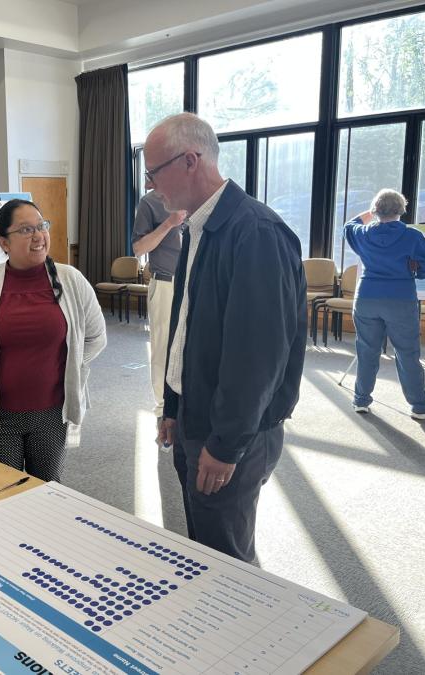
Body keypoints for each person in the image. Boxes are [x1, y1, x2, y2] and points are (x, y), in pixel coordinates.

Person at [146, 113, 307, 563]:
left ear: (191, 161)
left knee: (229, 564)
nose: (152, 185)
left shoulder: (255, 233)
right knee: (205, 550)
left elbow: (257, 358)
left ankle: (248, 633)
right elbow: (186, 330)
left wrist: (225, 445)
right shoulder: (199, 226)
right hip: (197, 418)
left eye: (154, 172)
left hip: (232, 431)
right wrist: (173, 405)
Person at [0, 199, 106, 481]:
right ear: (3, 242)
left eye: (41, 226)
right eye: (25, 230)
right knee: (3, 493)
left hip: (51, 413)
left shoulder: (70, 279)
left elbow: (96, 337)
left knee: (48, 492)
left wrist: (70, 364)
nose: (38, 236)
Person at [345, 189, 425, 419]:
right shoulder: (413, 236)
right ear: (402, 209)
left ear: (375, 210)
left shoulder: (363, 233)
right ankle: (419, 406)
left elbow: (349, 224)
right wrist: (415, 270)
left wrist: (370, 213)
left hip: (366, 297)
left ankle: (361, 400)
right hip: (400, 298)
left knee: (366, 350)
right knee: (407, 353)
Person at [131, 190, 187, 420]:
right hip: (166, 284)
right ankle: (164, 409)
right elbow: (139, 248)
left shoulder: (196, 197)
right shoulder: (150, 202)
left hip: (196, 284)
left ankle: (189, 404)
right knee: (163, 347)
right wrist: (169, 224)